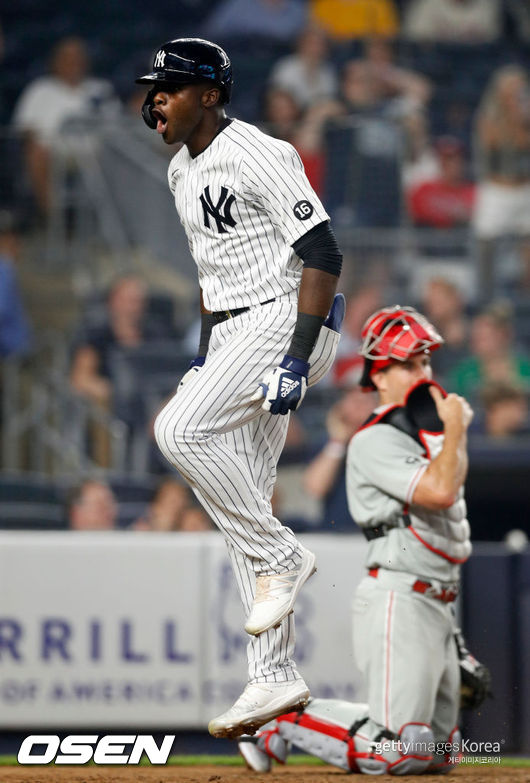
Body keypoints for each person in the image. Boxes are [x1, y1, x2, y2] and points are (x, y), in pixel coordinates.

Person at [135, 38, 344, 739]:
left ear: (211, 95)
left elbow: (322, 252)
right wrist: (203, 358)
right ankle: (273, 677)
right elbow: (211, 277)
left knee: (178, 430)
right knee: (244, 503)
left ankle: (284, 553)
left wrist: (296, 353)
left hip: (285, 315)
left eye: (171, 87)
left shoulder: (260, 151)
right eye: (154, 88)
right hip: (232, 329)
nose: (157, 97)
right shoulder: (178, 171)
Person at [239, 305, 474, 774]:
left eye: (425, 363)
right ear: (379, 376)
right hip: (400, 596)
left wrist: (457, 644)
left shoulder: (425, 438)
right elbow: (441, 492)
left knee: (443, 754)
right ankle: (278, 720)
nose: (421, 373)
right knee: (403, 750)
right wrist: (456, 430)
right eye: (408, 364)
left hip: (438, 601)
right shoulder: (376, 438)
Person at [12, 36, 119, 216]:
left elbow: (118, 125)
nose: (73, 63)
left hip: (96, 151)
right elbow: (24, 128)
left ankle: (115, 224)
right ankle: (53, 219)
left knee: (128, 155)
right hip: (54, 150)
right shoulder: (39, 89)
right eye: (67, 58)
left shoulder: (100, 89)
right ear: (55, 62)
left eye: (78, 57)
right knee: (36, 153)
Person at [472, 66, 530, 299]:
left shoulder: (525, 114)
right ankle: (484, 297)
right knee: (485, 243)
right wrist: (512, 117)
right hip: (497, 188)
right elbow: (493, 145)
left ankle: (526, 296)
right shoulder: (489, 115)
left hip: (524, 187)